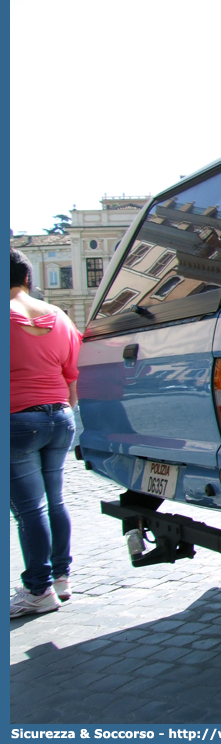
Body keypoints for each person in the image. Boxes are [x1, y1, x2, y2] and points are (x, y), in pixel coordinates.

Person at [10, 248, 81, 617]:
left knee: (29, 509)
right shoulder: (59, 317)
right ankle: (60, 578)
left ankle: (38, 589)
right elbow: (73, 373)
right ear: (27, 278)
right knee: (54, 500)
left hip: (17, 420)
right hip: (60, 417)